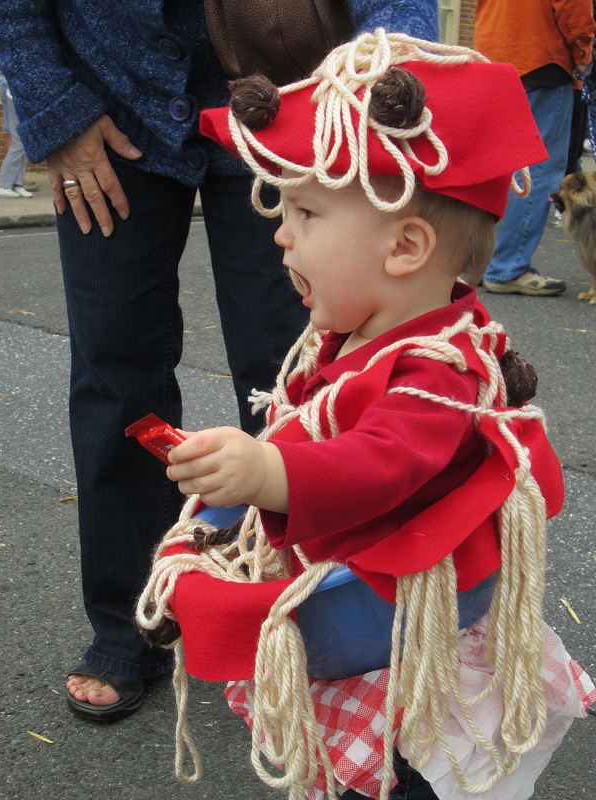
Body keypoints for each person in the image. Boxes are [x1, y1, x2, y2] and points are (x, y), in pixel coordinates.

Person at [137, 31, 595, 800]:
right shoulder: (375, 329)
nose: (280, 232)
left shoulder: (440, 368)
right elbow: (321, 422)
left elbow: (380, 460)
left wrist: (267, 470)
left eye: (306, 212)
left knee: (396, 779)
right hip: (366, 606)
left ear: (406, 246)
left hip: (404, 634)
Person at [0, 2, 439, 722]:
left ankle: (297, 617)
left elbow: (399, 10)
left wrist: (371, 81)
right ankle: (135, 620)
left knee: (296, 374)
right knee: (115, 373)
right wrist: (55, 108)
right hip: (107, 109)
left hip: (290, 102)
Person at [474, 0, 595, 296]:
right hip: (541, 57)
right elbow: (572, 5)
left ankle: (479, 262)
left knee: (497, 166)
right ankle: (508, 267)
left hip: (493, 53)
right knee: (537, 168)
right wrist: (584, 50)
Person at [0, 67, 33, 198]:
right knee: (19, 142)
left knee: (22, 141)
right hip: (13, 90)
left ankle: (16, 184)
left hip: (12, 88)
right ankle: (2, 185)